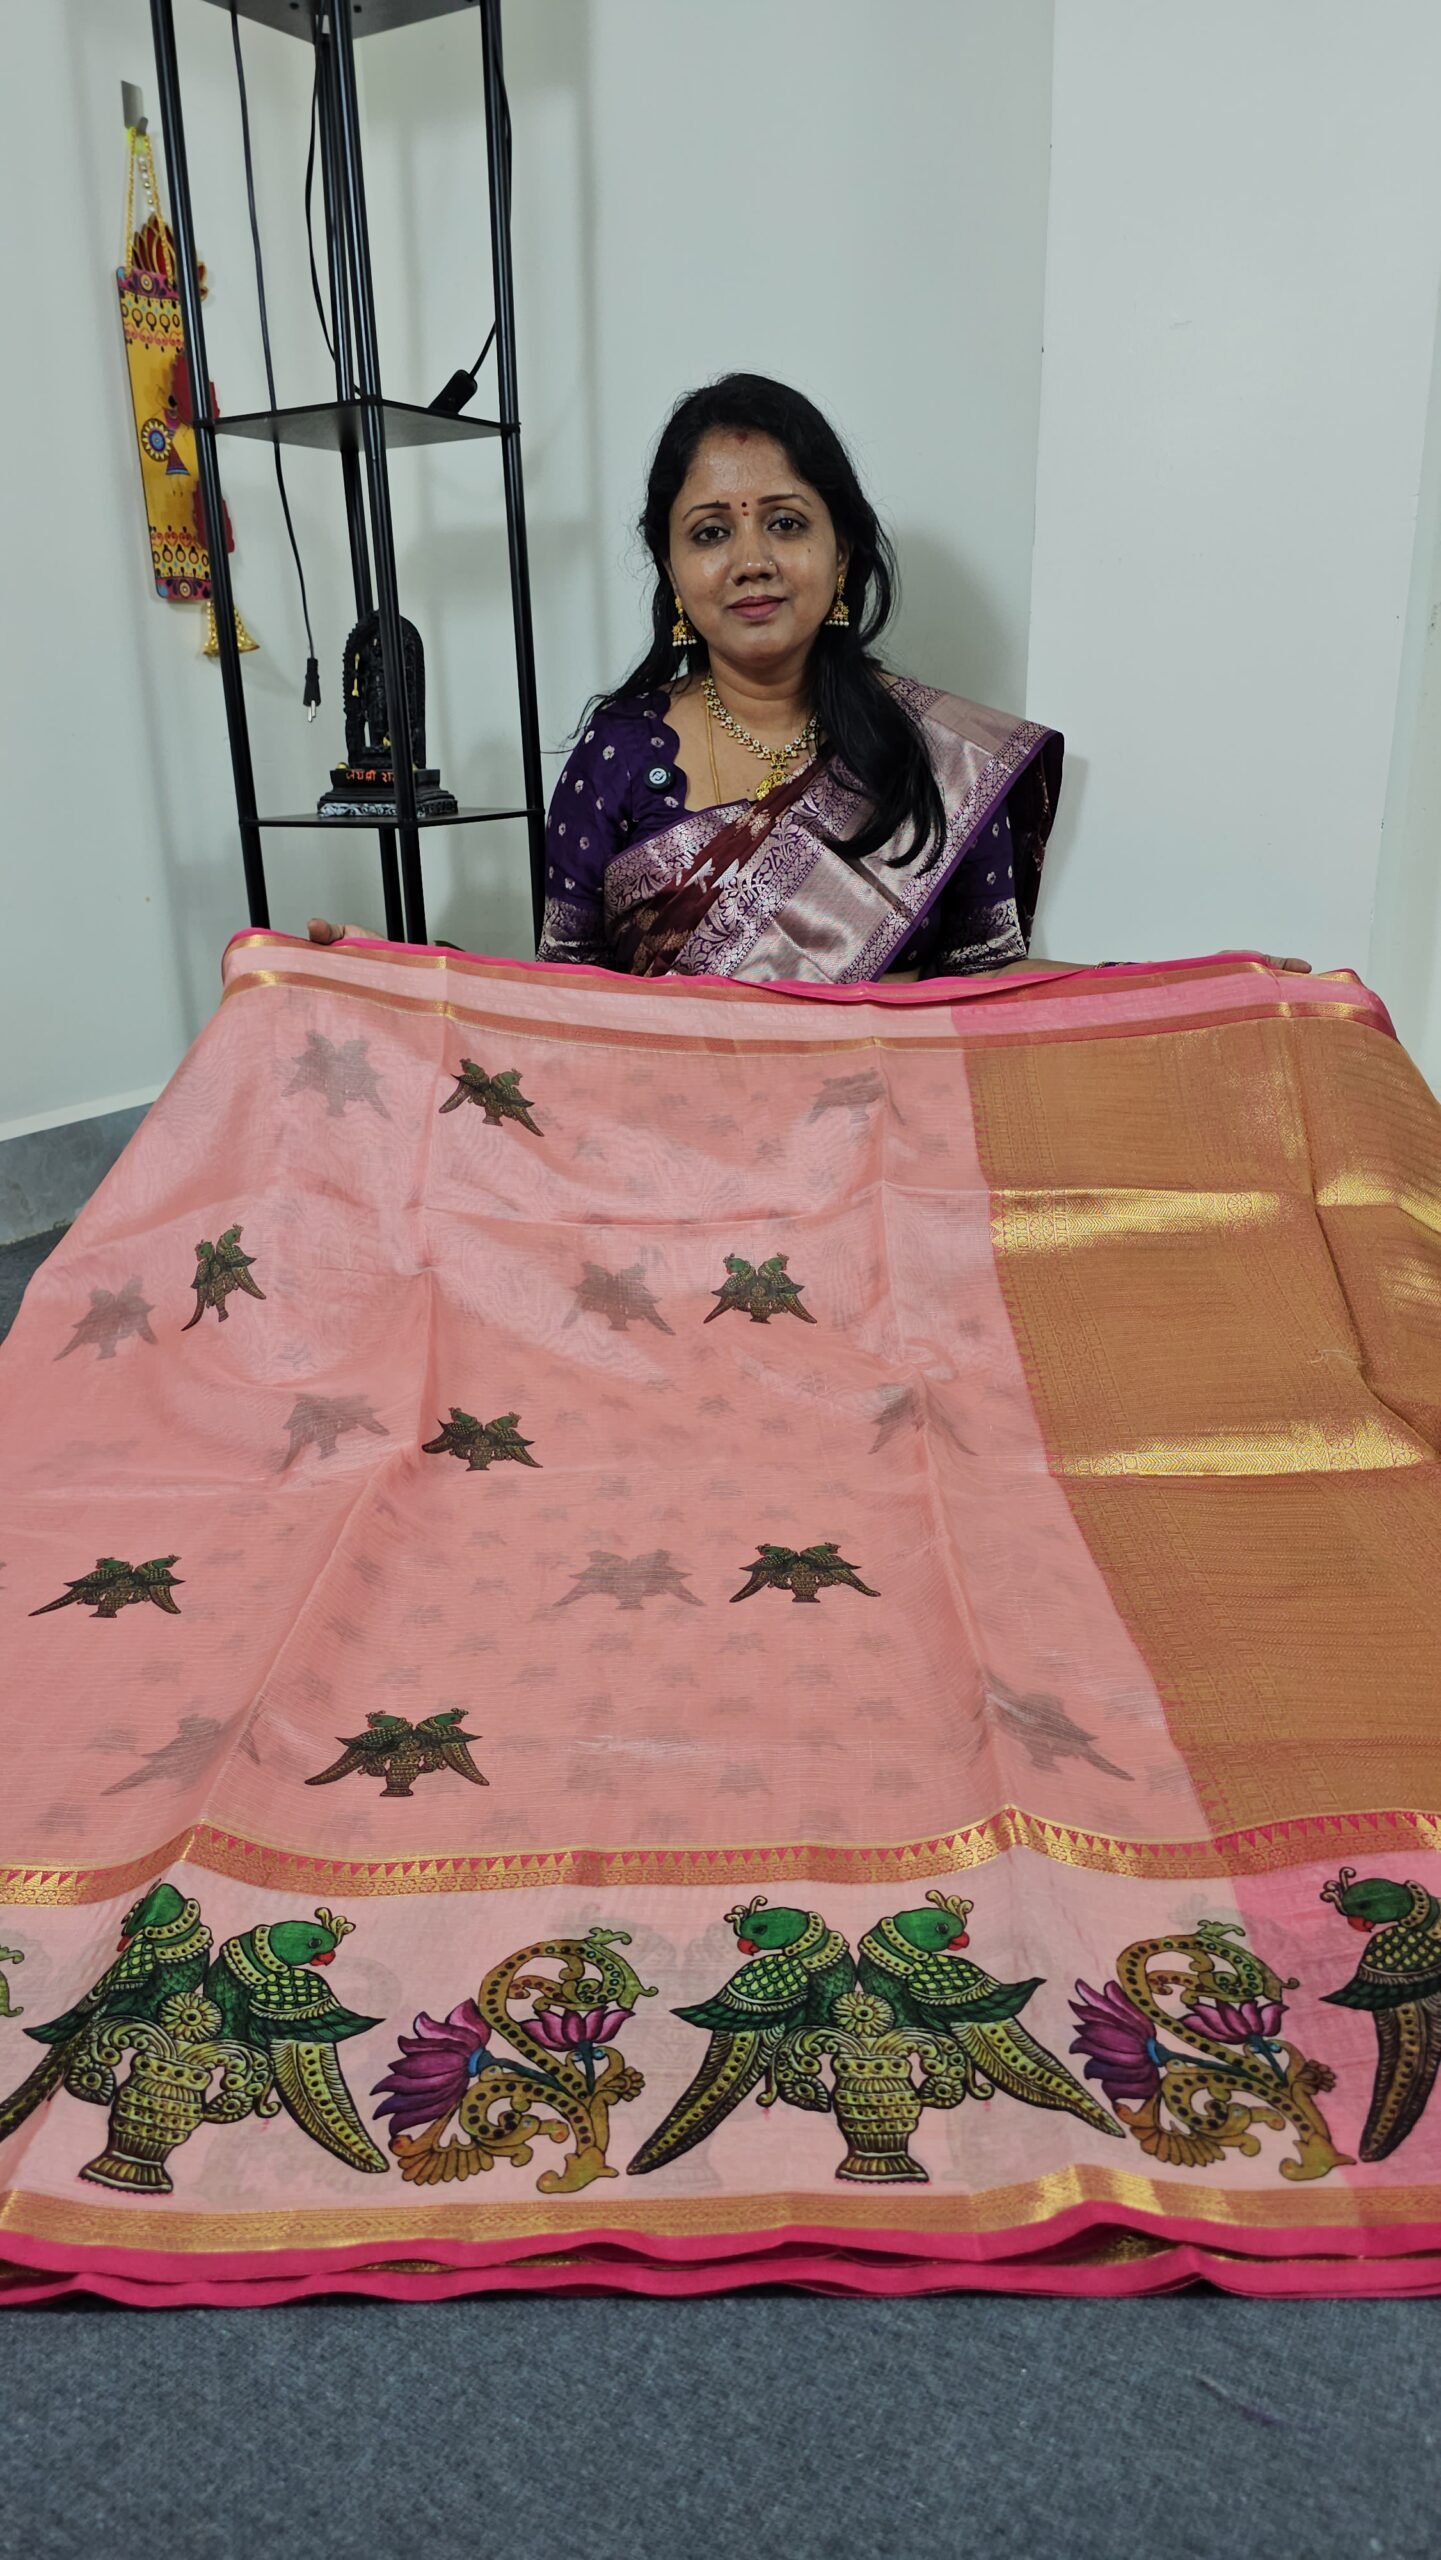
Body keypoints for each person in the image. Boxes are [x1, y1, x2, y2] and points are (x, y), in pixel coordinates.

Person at [310, 372, 1308, 981]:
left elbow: (993, 994)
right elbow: (563, 1000)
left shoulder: (931, 755)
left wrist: (1204, 990)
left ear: (841, 553)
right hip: (664, 1165)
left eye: (784, 522)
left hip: (883, 1166)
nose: (750, 560)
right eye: (710, 532)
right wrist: (391, 982)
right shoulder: (617, 756)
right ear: (671, 570)